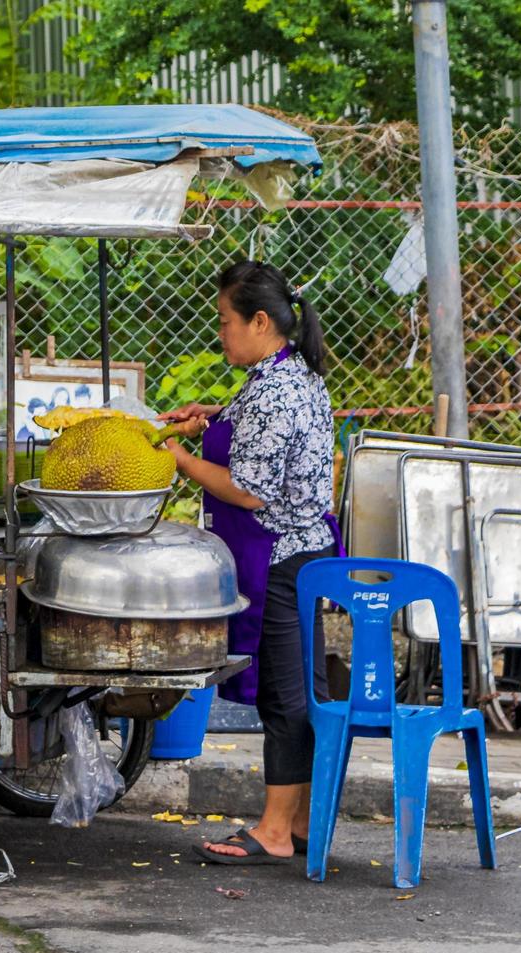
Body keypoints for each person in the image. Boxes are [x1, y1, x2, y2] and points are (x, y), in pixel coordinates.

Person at [160, 260, 336, 865]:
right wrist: (214, 416)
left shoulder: (276, 389)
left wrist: (180, 457)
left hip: (281, 557)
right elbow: (257, 435)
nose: (222, 334)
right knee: (299, 694)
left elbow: (249, 489)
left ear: (261, 321)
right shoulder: (287, 376)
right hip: (304, 553)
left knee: (285, 697)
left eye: (227, 322)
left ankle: (275, 831)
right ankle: (302, 821)